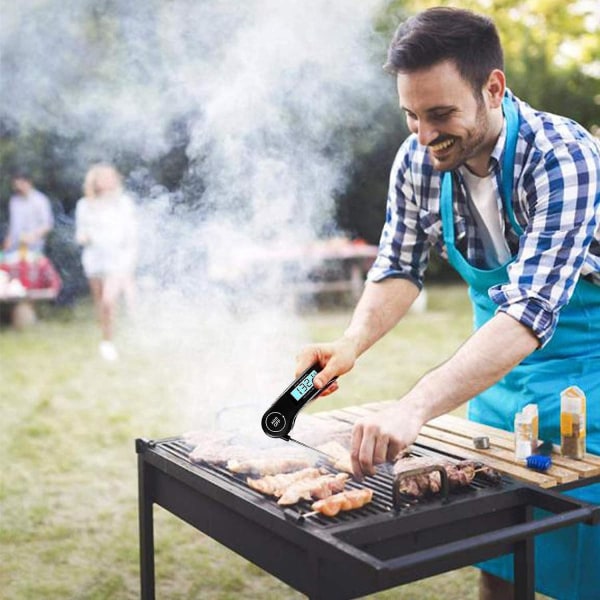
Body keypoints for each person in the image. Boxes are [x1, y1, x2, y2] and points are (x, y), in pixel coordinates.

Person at [295, 7, 599, 600]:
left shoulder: (564, 156)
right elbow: (399, 266)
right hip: (494, 383)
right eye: (411, 114)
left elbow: (530, 310)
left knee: (583, 559)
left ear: (493, 88)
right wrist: (351, 342)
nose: (424, 133)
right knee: (501, 556)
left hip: (587, 379)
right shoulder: (419, 158)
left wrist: (415, 407)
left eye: (439, 114)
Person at [75, 164, 138, 361]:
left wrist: (130, 262)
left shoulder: (124, 203)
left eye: (111, 177)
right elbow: (80, 232)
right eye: (104, 177)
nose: (109, 181)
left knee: (108, 301)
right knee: (101, 303)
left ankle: (110, 341)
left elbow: (132, 234)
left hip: (117, 260)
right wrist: (84, 237)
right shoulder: (85, 204)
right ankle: (107, 340)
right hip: (94, 260)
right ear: (95, 181)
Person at [3, 172, 54, 254]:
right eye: (16, 185)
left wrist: (33, 236)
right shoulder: (14, 201)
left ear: (29, 183)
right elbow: (13, 225)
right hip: (13, 248)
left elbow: (47, 225)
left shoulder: (41, 200)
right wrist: (8, 239)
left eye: (21, 184)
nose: (19, 188)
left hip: (33, 249)